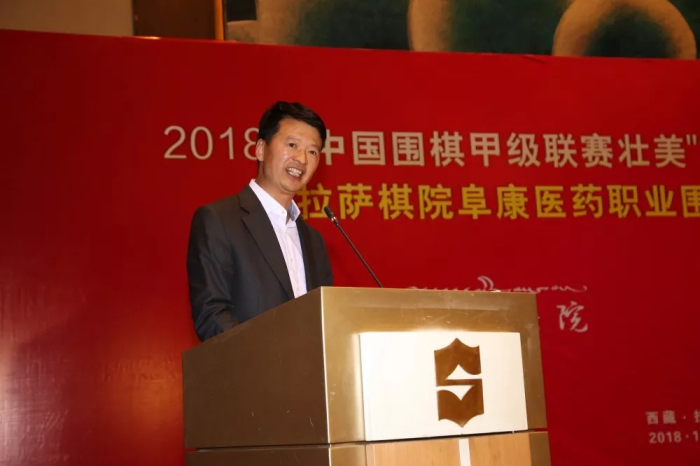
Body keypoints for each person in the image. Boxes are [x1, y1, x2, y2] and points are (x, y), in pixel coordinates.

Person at [186, 101, 334, 341]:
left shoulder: (313, 241)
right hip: (250, 364)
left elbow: (325, 320)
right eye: (292, 145)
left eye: (312, 151)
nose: (302, 159)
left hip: (309, 365)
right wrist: (270, 357)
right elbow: (212, 314)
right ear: (261, 150)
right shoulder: (219, 221)